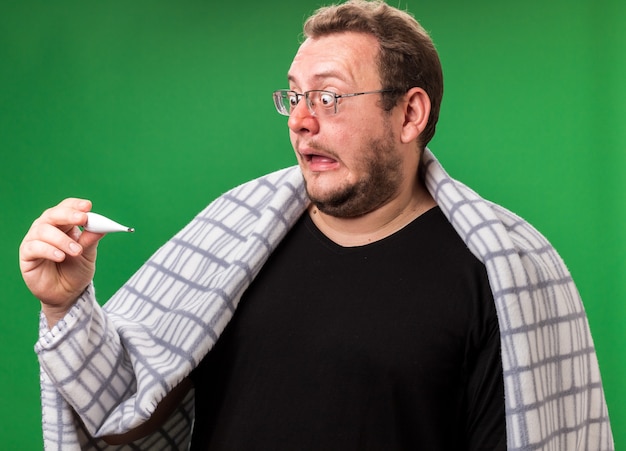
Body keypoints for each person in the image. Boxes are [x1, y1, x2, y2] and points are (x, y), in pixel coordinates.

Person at [19, 1, 613, 450]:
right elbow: (127, 410)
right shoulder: (234, 234)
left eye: (328, 98)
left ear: (409, 114)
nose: (300, 121)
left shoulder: (500, 275)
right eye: (294, 97)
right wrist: (66, 308)